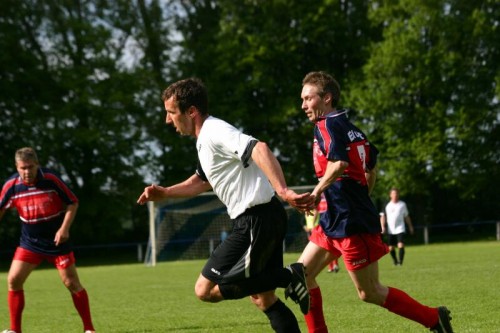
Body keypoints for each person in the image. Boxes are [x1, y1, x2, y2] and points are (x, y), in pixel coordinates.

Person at [137, 78, 314, 333]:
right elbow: (201, 182)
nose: (167, 120)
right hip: (263, 217)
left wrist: (284, 190)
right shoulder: (204, 140)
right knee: (264, 299)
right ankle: (286, 277)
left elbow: (258, 147)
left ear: (191, 111)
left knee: (204, 290)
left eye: (171, 112)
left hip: (256, 220)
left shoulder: (214, 131)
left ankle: (288, 275)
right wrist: (165, 192)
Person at [296, 71, 453, 333]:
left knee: (370, 292)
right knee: (301, 274)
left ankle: (434, 318)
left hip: (352, 224)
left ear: (327, 98)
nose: (303, 105)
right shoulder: (354, 130)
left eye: (307, 99)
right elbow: (370, 170)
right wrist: (357, 195)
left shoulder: (325, 125)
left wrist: (317, 192)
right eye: (302, 99)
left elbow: (340, 163)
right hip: (335, 218)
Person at [0, 147, 95, 333]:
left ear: (37, 165)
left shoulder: (51, 179)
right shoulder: (11, 185)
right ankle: (15, 330)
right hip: (29, 243)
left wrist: (64, 229)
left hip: (57, 242)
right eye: (22, 168)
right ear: (16, 167)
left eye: (30, 167)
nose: (27, 172)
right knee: (13, 279)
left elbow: (73, 202)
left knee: (71, 283)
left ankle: (89, 329)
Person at [303, 194, 339, 273]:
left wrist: (312, 226)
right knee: (327, 247)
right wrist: (306, 227)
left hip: (315, 229)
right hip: (310, 229)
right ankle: (332, 266)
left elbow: (316, 214)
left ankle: (334, 265)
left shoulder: (314, 209)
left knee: (326, 247)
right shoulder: (307, 211)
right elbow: (307, 221)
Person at [380, 187, 414, 265]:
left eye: (396, 193)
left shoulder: (402, 204)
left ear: (398, 195)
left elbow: (406, 216)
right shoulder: (386, 205)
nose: (395, 195)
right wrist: (383, 226)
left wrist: (410, 226)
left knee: (400, 244)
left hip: (400, 228)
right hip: (390, 229)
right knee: (391, 247)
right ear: (390, 195)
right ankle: (395, 261)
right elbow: (382, 216)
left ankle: (400, 262)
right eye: (393, 193)